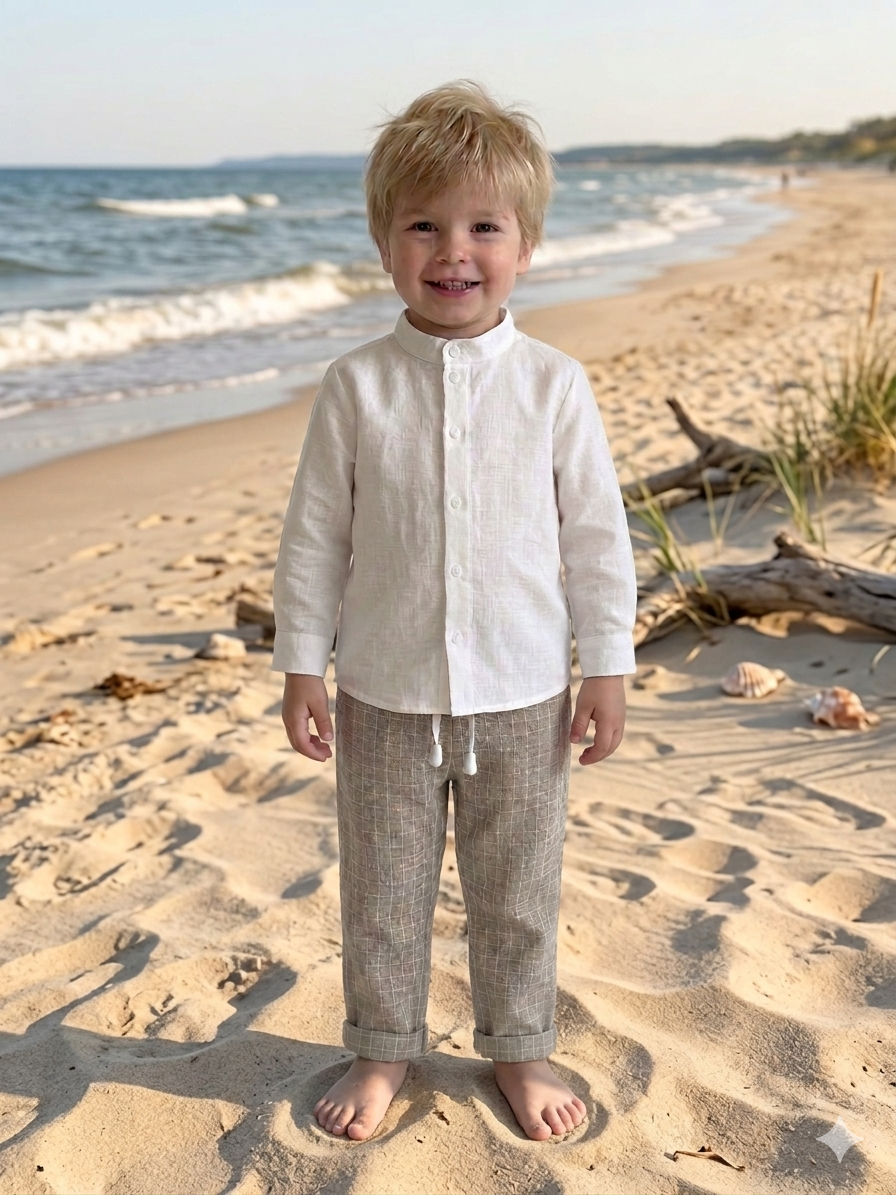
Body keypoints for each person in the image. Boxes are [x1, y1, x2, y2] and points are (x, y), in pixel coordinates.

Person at [272, 80, 637, 1143]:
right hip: (382, 689)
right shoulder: (355, 385)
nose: (453, 251)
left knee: (516, 888)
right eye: (422, 226)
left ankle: (519, 1045)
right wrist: (301, 664)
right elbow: (314, 538)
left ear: (525, 245)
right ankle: (382, 1045)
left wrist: (607, 663)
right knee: (383, 889)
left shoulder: (554, 384)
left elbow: (595, 538)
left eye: (484, 226)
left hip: (524, 690)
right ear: (384, 244)